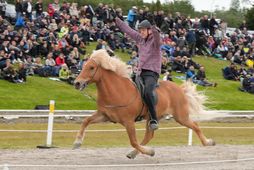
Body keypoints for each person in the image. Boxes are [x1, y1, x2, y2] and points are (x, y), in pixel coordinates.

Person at [115, 17, 161, 130]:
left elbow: (157, 38)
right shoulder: (140, 39)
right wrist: (116, 20)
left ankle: (154, 119)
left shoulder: (155, 41)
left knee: (148, 92)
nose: (141, 33)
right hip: (140, 72)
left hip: (152, 72)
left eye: (143, 30)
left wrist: (154, 28)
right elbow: (129, 30)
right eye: (140, 31)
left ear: (149, 30)